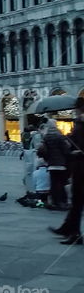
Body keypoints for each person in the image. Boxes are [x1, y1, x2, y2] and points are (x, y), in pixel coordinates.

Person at [51, 98, 84, 244]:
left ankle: (73, 232)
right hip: (78, 166)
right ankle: (68, 229)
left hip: (81, 167)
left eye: (76, 108)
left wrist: (77, 151)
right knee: (77, 200)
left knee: (77, 200)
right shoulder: (79, 123)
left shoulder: (81, 124)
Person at [39, 120, 70, 210]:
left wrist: (47, 159)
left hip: (51, 164)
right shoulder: (59, 136)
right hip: (61, 164)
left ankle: (54, 201)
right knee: (61, 182)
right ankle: (61, 201)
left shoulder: (46, 137)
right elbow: (66, 150)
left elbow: (43, 151)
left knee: (54, 183)